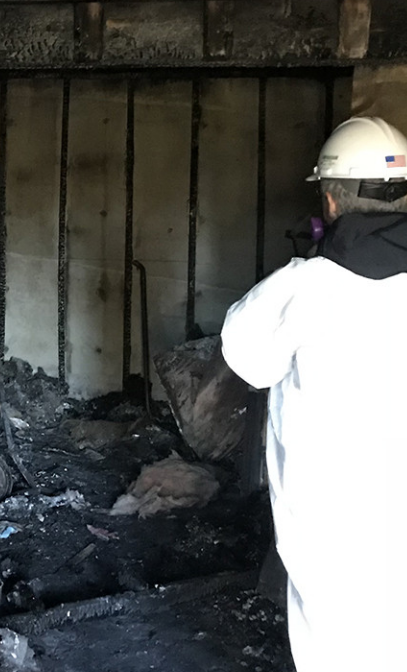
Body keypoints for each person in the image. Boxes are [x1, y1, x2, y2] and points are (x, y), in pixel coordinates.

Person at [221, 116, 407, 672]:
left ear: (329, 200)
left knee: (336, 642)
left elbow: (249, 361)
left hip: (333, 521)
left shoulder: (303, 289)